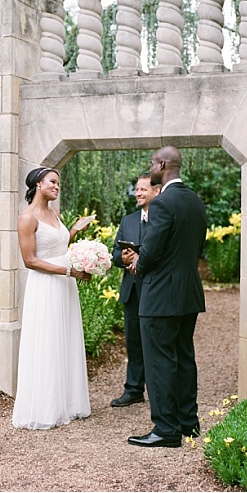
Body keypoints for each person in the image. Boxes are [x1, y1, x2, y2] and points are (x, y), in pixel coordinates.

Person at [126, 146, 207, 448]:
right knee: (184, 357)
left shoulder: (162, 204)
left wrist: (138, 262)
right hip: (188, 293)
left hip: (160, 295)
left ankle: (166, 429)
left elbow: (153, 248)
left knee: (159, 361)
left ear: (162, 165)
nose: (151, 167)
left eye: (152, 163)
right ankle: (189, 423)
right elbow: (198, 246)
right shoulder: (194, 201)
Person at [11, 167, 95, 430]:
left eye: (59, 183)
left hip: (64, 286)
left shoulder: (54, 214)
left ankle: (67, 403)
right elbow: (31, 260)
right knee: (46, 340)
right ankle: (45, 408)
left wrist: (72, 232)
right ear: (38, 183)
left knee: (64, 337)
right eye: (53, 182)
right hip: (46, 286)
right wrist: (70, 271)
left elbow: (57, 248)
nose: (57, 187)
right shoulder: (27, 218)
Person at [109, 173, 160, 408]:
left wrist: (142, 259)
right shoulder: (127, 221)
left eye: (143, 189)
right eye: (137, 189)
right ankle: (133, 390)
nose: (138, 193)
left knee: (156, 341)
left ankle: (159, 392)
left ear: (156, 191)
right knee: (133, 343)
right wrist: (124, 257)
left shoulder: (162, 219)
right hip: (132, 292)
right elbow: (115, 255)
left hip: (155, 290)